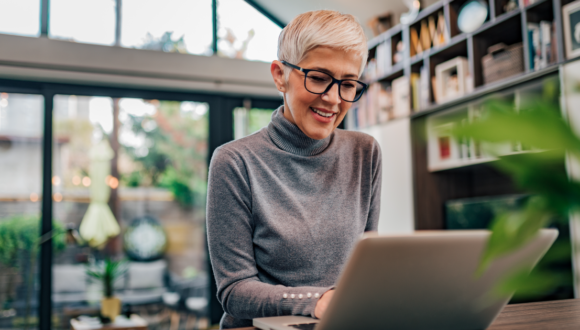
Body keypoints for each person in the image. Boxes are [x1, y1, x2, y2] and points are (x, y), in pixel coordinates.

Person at [206, 10, 382, 329]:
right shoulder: (234, 162)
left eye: (348, 84)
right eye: (318, 78)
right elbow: (234, 291)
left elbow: (367, 266)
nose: (332, 99)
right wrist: (316, 301)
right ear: (279, 75)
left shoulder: (364, 152)